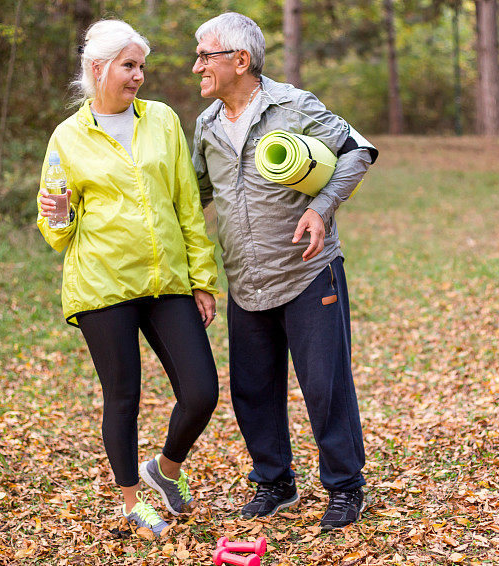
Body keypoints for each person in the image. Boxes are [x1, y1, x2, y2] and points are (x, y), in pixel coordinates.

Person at [190, 12, 378, 531]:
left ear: (240, 60)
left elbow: (357, 151)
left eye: (206, 56)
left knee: (325, 383)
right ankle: (274, 483)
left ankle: (345, 487)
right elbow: (193, 199)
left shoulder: (293, 105)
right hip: (245, 281)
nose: (196, 66)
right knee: (252, 388)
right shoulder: (206, 127)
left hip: (307, 274)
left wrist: (321, 208)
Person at [37, 19, 219, 536]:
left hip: (166, 283)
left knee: (202, 390)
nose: (139, 76)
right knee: (124, 397)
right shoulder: (68, 137)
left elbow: (187, 202)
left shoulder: (160, 119)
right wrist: (57, 214)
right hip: (102, 288)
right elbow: (55, 228)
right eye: (129, 66)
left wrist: (201, 278)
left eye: (142, 66)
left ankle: (166, 471)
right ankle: (133, 504)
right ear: (98, 69)